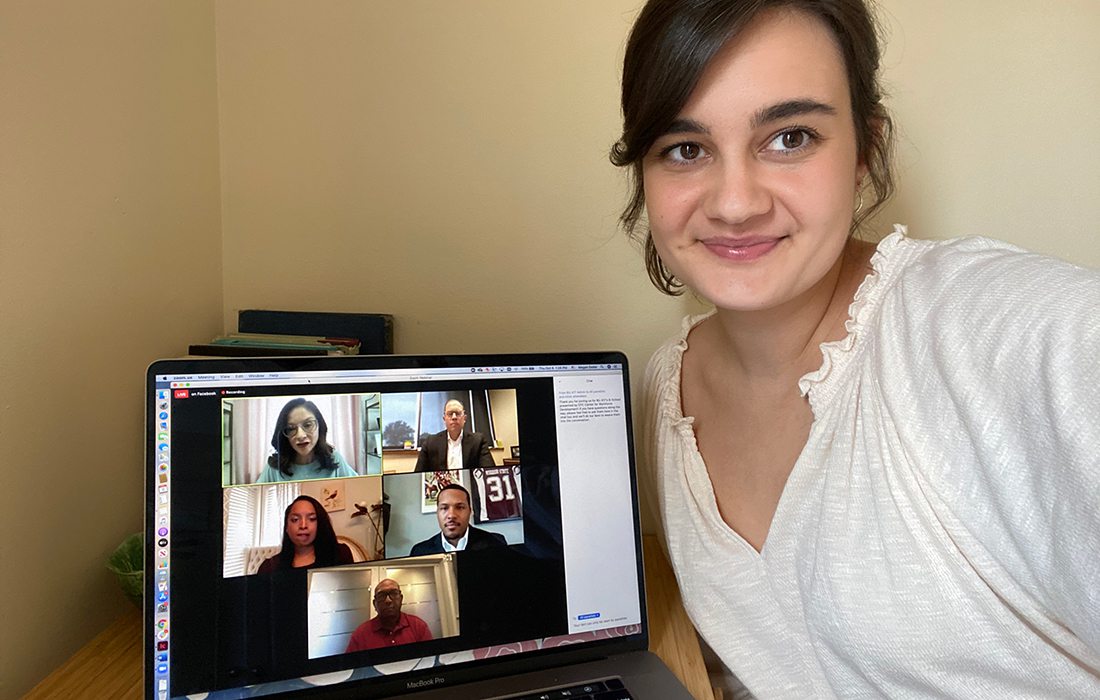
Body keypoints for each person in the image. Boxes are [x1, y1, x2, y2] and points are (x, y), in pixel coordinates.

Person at [613, 1, 1100, 698]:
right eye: (685, 149)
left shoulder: (1000, 332)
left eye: (790, 137)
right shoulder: (665, 387)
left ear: (864, 151)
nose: (734, 203)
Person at [256, 398, 358, 482]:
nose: (300, 435)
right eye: (291, 429)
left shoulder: (334, 458)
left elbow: (358, 486)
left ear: (319, 425)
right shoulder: (275, 466)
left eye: (308, 425)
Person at [257, 495, 353, 573]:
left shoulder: (341, 554)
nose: (303, 526)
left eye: (311, 519)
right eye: (295, 520)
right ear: (286, 527)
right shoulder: (269, 567)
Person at [409, 483, 507, 555]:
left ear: (470, 511)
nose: (451, 515)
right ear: (437, 513)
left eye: (460, 507)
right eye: (444, 508)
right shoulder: (419, 551)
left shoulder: (496, 543)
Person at [345, 578, 433, 652]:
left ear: (401, 599)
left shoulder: (418, 626)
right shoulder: (360, 635)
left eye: (394, 594)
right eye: (382, 596)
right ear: (374, 604)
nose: (388, 600)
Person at [414, 399, 495, 472]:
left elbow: (489, 472)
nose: (454, 417)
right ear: (444, 419)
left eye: (458, 413)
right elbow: (418, 474)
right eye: (450, 414)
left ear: (465, 418)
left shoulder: (478, 441)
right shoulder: (430, 443)